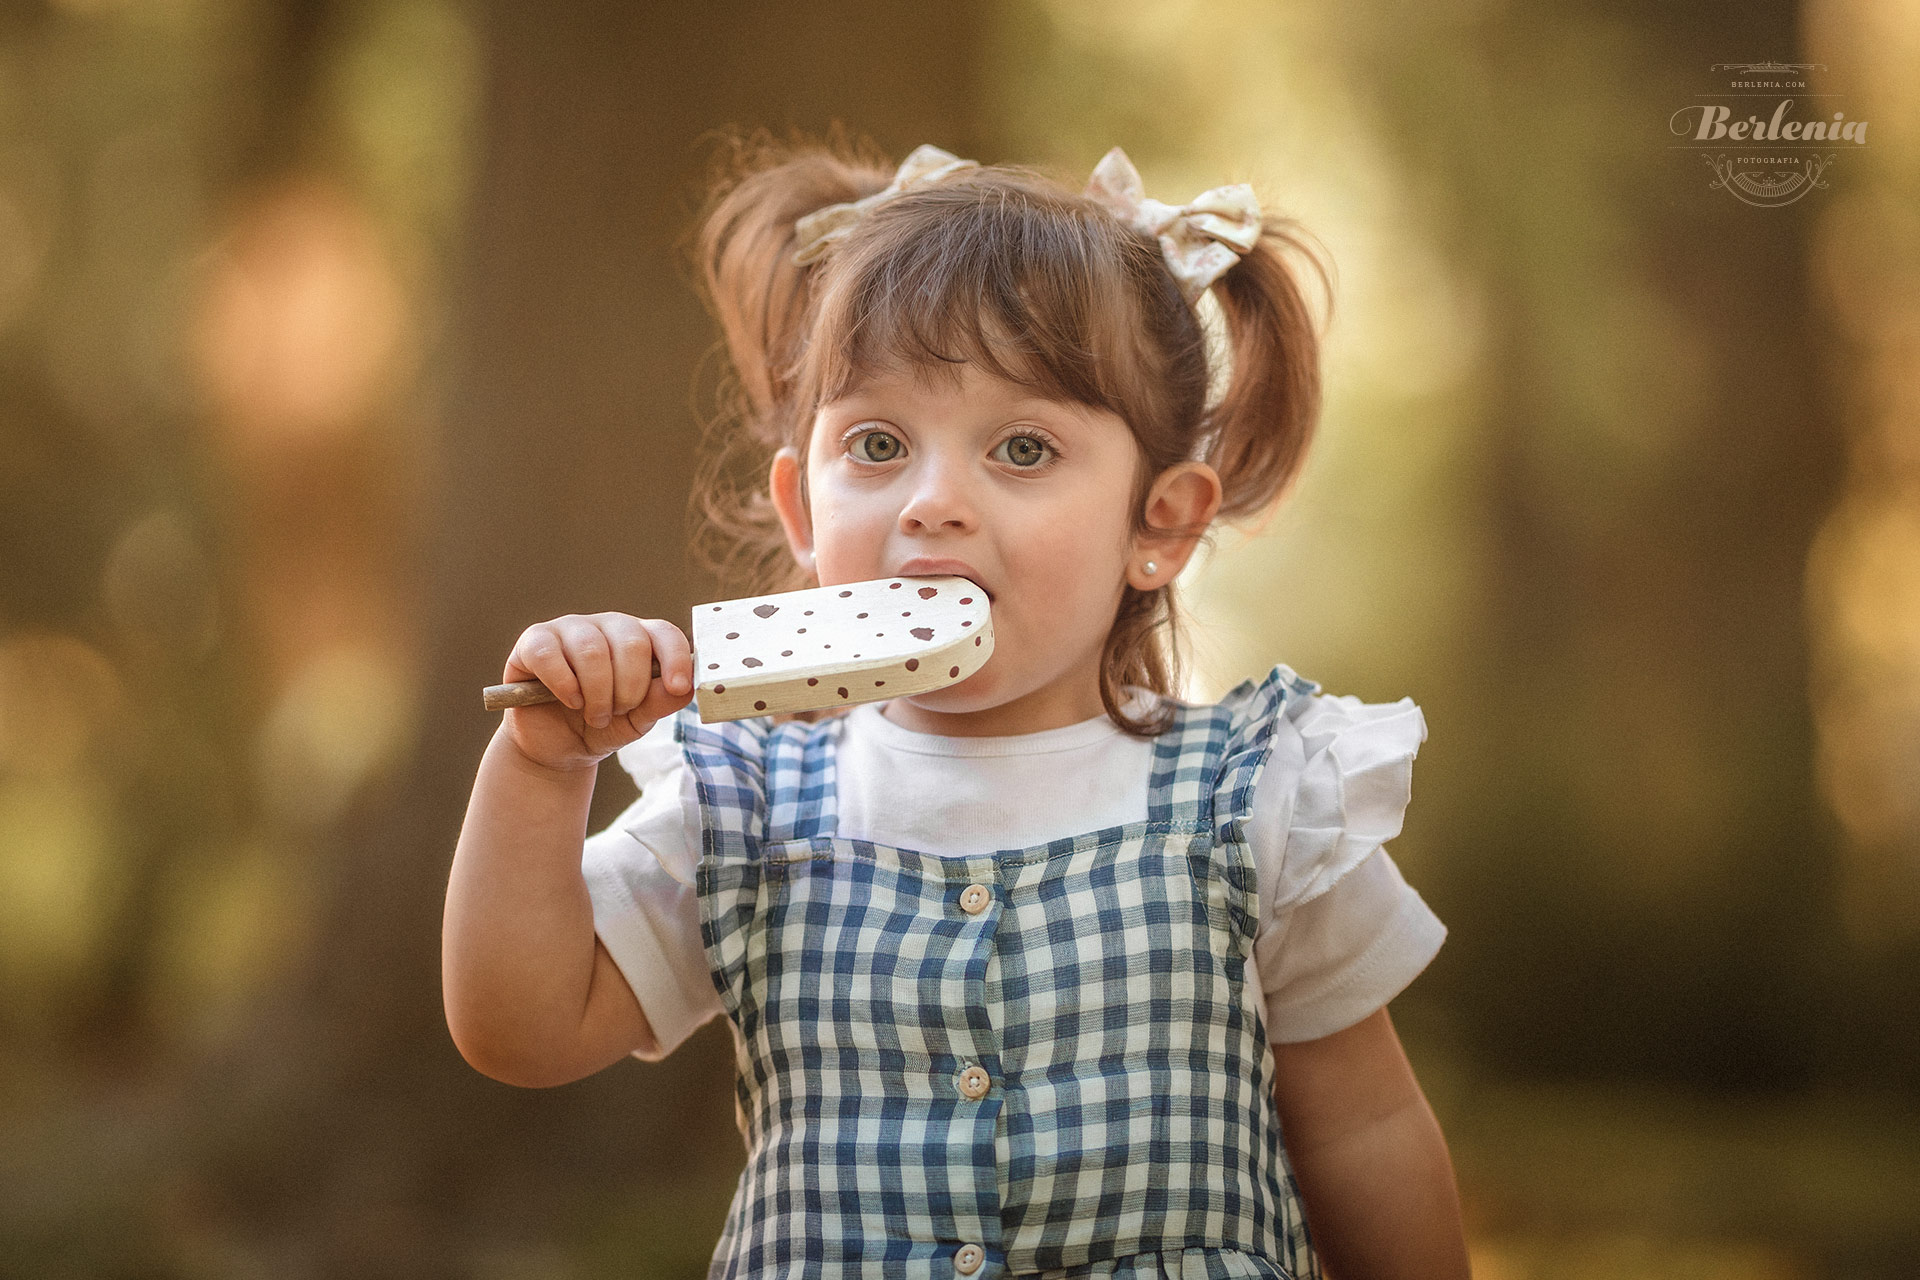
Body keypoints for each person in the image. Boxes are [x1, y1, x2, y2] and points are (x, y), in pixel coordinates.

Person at [444, 133, 1472, 1280]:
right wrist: (542, 768)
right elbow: (521, 1025)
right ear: (800, 504)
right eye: (878, 444)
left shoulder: (1261, 799)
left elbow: (1366, 1129)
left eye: (1022, 448)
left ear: (1160, 525)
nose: (934, 502)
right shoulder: (744, 798)